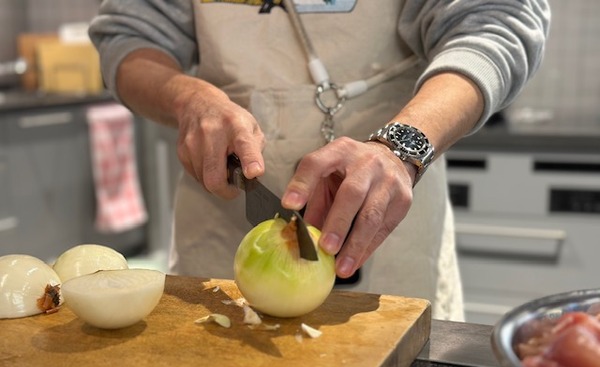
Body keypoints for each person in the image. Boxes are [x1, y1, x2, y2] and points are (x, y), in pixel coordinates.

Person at [89, 0, 550, 321]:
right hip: (219, 229)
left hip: (394, 228)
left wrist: (401, 148)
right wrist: (187, 97)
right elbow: (128, 37)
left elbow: (495, 22)